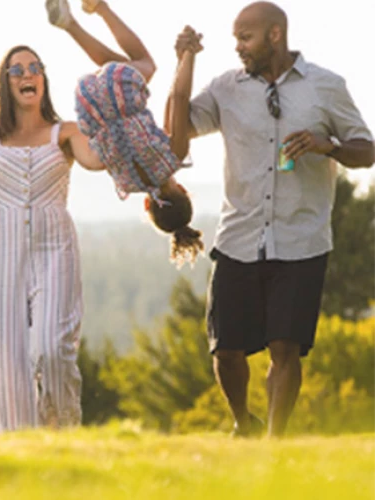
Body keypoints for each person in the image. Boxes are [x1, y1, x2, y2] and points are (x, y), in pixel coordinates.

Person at [171, 2, 374, 437]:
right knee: (226, 350)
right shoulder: (225, 88)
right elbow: (178, 133)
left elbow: (366, 149)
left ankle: (273, 444)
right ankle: (243, 423)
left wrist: (328, 146)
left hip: (302, 240)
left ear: (275, 35)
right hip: (239, 236)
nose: (238, 47)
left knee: (286, 348)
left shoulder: (326, 86)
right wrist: (183, 64)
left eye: (246, 37)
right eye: (236, 38)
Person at [0, 41, 109, 432]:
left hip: (55, 248)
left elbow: (95, 160)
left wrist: (112, 121)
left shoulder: (66, 132)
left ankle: (64, 437)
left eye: (35, 67)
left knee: (52, 350)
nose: (28, 74)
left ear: (43, 79)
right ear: (6, 83)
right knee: (7, 365)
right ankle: (22, 448)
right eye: (18, 69)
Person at [46, 0, 204, 266]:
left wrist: (188, 55)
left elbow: (178, 97)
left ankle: (100, 9)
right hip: (87, 102)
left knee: (146, 65)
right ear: (147, 206)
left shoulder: (174, 156)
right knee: (116, 70)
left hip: (122, 89)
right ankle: (69, 24)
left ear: (185, 190)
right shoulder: (125, 182)